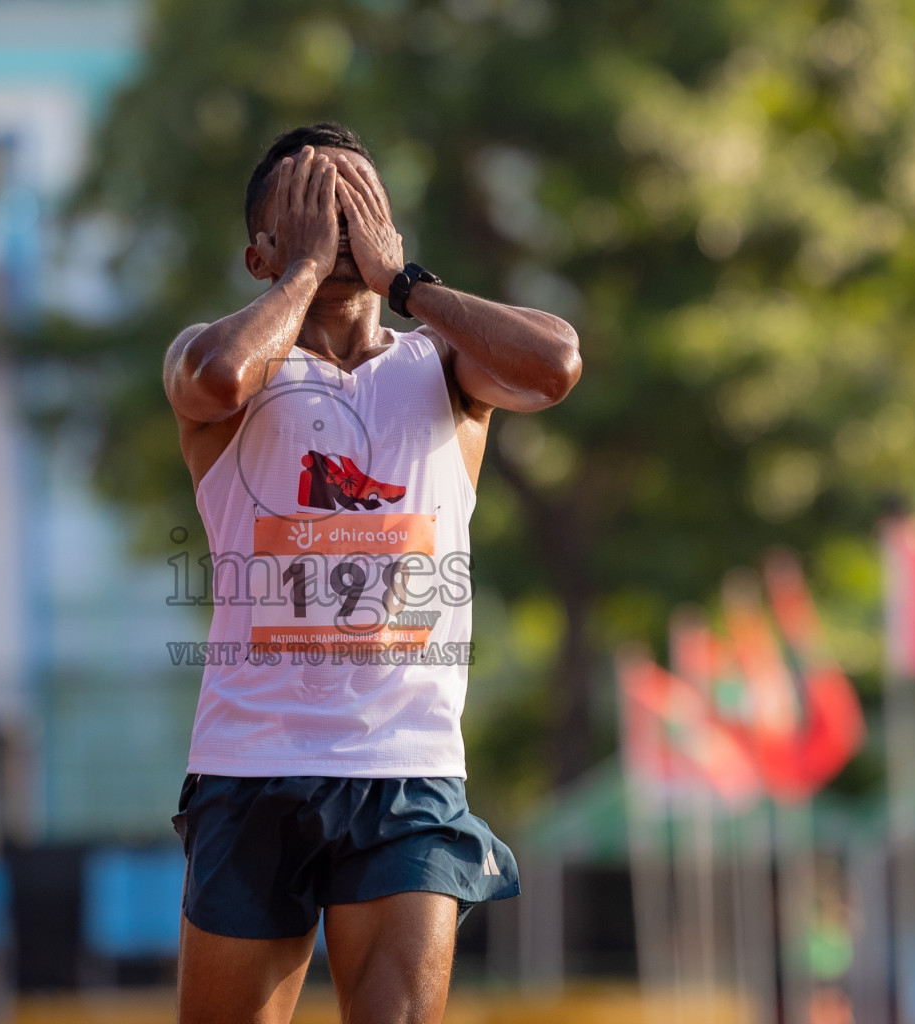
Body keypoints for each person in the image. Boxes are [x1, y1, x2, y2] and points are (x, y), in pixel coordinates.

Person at [163, 122, 581, 1024]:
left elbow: (555, 366)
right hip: (252, 765)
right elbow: (215, 379)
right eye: (310, 205)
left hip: (405, 769)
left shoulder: (444, 367)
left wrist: (407, 284)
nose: (337, 219)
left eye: (354, 200)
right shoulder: (216, 354)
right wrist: (306, 274)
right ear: (257, 250)